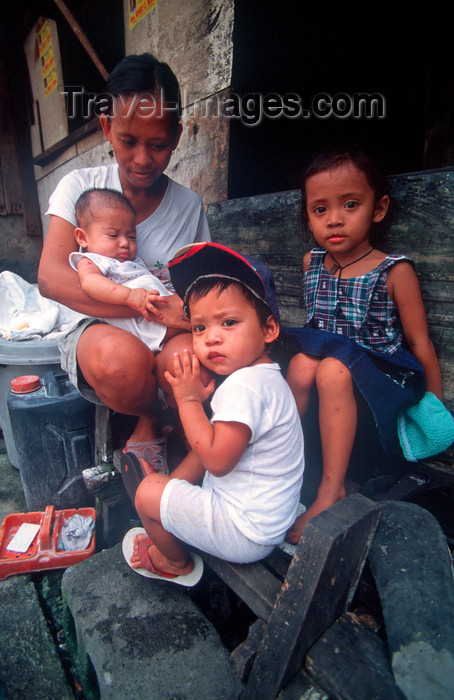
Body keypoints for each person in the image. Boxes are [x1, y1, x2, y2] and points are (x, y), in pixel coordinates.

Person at [38, 53, 210, 467]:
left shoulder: (188, 206)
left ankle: (184, 437)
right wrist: (137, 305)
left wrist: (184, 312)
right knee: (120, 362)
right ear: (106, 128)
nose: (143, 159)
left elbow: (200, 284)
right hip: (95, 324)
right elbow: (53, 279)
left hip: (166, 327)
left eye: (158, 144)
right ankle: (151, 417)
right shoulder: (80, 188)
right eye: (128, 141)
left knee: (188, 363)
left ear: (178, 137)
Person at [284, 146, 444, 542]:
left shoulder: (395, 271)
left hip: (378, 382)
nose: (334, 219)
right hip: (329, 379)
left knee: (332, 367)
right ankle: (284, 463)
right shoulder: (312, 263)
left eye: (350, 204)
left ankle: (331, 489)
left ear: (379, 207)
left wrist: (434, 408)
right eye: (319, 209)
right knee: (304, 363)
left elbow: (419, 342)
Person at [124, 242, 305, 578]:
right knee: (191, 456)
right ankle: (171, 501)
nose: (211, 339)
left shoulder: (244, 387)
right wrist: (173, 487)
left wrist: (188, 401)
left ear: (269, 329)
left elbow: (217, 462)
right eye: (199, 327)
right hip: (267, 517)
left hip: (244, 532)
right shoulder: (264, 376)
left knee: (147, 494)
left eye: (229, 322)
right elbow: (210, 446)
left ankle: (175, 562)